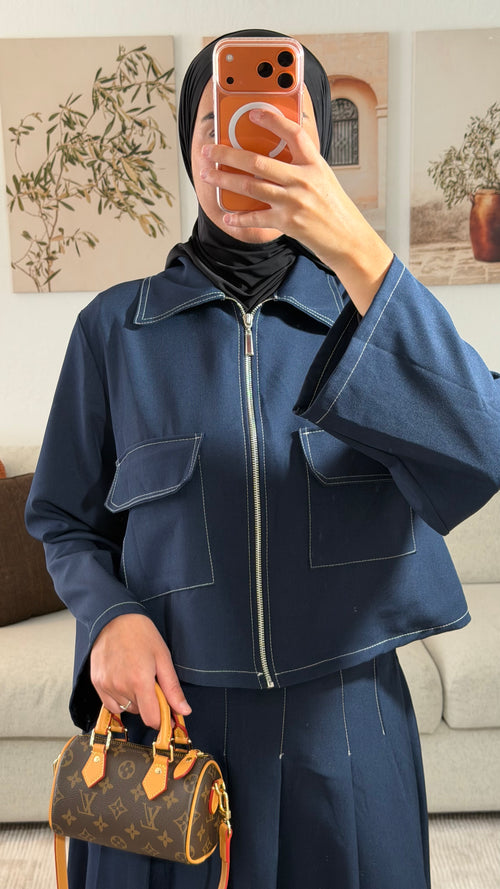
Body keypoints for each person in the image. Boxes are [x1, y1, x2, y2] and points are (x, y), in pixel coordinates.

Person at [26, 28, 500, 889]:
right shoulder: (112, 331)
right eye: (215, 123)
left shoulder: (374, 315)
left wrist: (357, 248)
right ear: (188, 149)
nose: (238, 145)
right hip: (170, 727)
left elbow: (485, 444)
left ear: (318, 147)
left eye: (275, 122)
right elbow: (63, 518)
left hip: (347, 732)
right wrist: (109, 617)